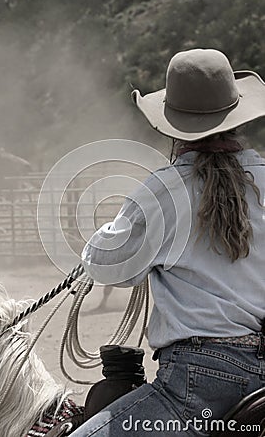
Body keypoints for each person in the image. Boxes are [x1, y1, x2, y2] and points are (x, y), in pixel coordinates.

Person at [71, 49, 265, 436]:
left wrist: (98, 243)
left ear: (173, 126)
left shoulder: (165, 190)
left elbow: (110, 265)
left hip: (195, 383)